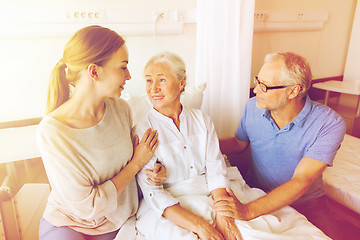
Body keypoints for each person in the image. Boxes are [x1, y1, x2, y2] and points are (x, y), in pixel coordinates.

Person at [36, 25, 160, 240]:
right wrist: (136, 164)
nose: (129, 76)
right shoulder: (53, 132)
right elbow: (88, 206)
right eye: (123, 67)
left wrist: (155, 172)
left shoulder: (121, 109)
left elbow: (137, 164)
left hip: (118, 222)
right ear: (94, 71)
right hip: (69, 224)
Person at [214, 52, 346, 240]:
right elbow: (238, 143)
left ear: (293, 91)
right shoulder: (253, 107)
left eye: (264, 86)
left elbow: (301, 180)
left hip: (307, 203)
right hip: (255, 193)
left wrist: (248, 211)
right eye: (257, 81)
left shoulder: (329, 124)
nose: (256, 90)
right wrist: (200, 144)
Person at [135, 51, 242, 240]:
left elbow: (216, 170)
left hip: (211, 195)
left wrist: (224, 216)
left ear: (181, 82)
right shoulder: (143, 129)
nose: (153, 89)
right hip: (171, 206)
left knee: (247, 232)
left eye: (161, 80)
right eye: (149, 81)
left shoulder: (202, 120)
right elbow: (152, 191)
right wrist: (199, 226)